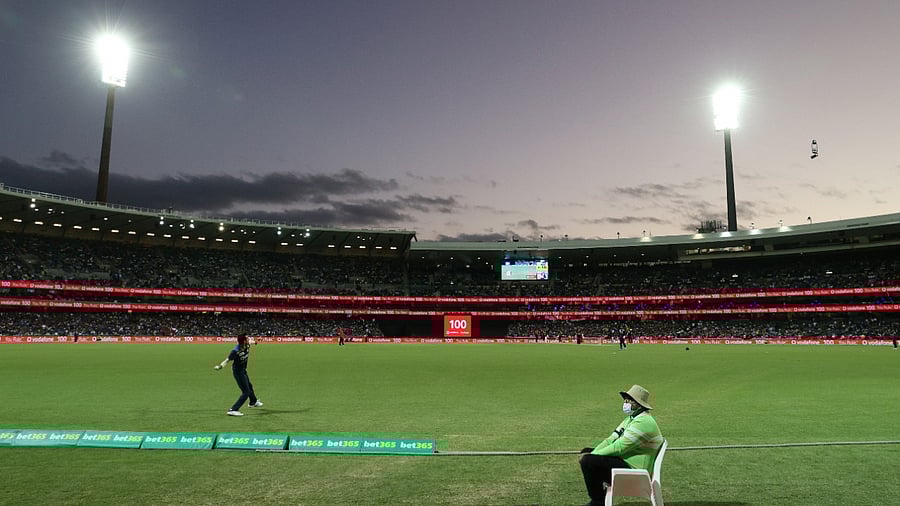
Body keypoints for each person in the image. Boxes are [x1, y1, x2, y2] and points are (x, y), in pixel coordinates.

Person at [578, 385, 664, 506]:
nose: (626, 402)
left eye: (630, 400)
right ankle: (599, 498)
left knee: (588, 461)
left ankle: (597, 501)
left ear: (639, 404)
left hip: (635, 471)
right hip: (627, 461)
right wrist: (593, 453)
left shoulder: (644, 422)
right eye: (625, 399)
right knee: (586, 453)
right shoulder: (632, 418)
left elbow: (619, 447)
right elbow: (611, 439)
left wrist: (592, 455)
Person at [214, 334, 263, 416]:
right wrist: (220, 366)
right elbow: (227, 360)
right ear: (244, 341)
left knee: (249, 386)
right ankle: (233, 409)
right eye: (247, 338)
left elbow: (252, 342)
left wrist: (256, 341)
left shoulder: (247, 344)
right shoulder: (235, 350)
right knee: (246, 392)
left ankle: (253, 402)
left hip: (243, 369)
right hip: (238, 372)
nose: (249, 339)